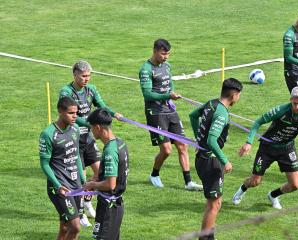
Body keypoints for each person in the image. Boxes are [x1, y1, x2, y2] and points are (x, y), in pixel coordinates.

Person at [232, 86, 298, 209]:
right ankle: (242, 189)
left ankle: (273, 195)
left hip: (287, 148)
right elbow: (258, 122)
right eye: (294, 104)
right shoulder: (281, 110)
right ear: (290, 100)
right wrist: (249, 142)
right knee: (255, 181)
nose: (297, 107)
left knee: (295, 185)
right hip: (267, 148)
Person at [59, 60, 123, 226]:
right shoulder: (66, 92)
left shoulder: (91, 89)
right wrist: (91, 123)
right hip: (73, 139)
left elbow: (101, 106)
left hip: (88, 138)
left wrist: (113, 113)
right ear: (74, 75)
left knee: (99, 171)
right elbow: (72, 116)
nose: (86, 79)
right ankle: (79, 213)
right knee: (80, 177)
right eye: (83, 76)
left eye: (89, 76)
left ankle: (87, 200)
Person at [139, 38, 202, 191]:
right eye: (163, 54)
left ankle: (188, 182)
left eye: (168, 54)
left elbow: (169, 84)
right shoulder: (146, 70)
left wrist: (171, 93)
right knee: (167, 149)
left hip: (169, 110)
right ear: (154, 51)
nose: (166, 57)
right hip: (155, 112)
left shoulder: (167, 66)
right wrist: (167, 96)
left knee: (182, 145)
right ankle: (154, 174)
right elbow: (147, 94)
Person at [190, 78, 243, 240]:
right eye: (239, 95)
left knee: (215, 203)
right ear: (234, 94)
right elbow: (212, 140)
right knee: (214, 205)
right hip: (211, 161)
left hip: (203, 159)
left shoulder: (211, 103)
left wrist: (198, 138)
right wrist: (225, 160)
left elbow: (193, 116)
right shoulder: (221, 112)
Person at [39, 97, 85, 240]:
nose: (75, 116)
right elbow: (44, 164)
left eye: (76, 113)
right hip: (59, 187)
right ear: (60, 111)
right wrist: (58, 186)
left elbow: (76, 155)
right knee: (75, 226)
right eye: (71, 113)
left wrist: (83, 181)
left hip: (75, 183)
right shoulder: (48, 134)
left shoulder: (75, 128)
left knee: (65, 226)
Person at [83, 108, 129, 240]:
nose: (91, 131)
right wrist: (93, 180)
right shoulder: (120, 143)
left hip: (109, 207)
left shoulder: (110, 151)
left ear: (98, 127)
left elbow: (110, 184)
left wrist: (92, 184)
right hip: (115, 205)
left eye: (92, 128)